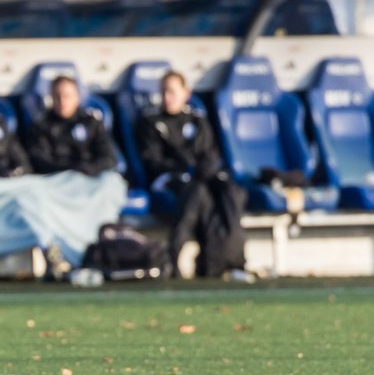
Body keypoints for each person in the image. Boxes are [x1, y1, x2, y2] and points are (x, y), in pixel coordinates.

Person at [135, 71, 251, 281]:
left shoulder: (198, 121)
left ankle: (230, 259)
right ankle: (174, 255)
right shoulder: (151, 122)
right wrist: (184, 166)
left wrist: (205, 168)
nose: (166, 97)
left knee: (229, 190)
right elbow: (152, 161)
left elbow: (210, 154)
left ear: (186, 93)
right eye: (163, 92)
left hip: (199, 179)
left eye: (171, 91)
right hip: (169, 180)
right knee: (197, 193)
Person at [22, 75, 124, 280]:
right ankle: (59, 259)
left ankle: (97, 253)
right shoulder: (41, 125)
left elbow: (109, 158)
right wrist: (71, 170)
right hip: (56, 185)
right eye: (57, 95)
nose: (62, 100)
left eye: (67, 95)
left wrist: (88, 169)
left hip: (88, 183)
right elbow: (39, 161)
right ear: (51, 97)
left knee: (112, 183)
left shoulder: (91, 122)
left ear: (77, 97)